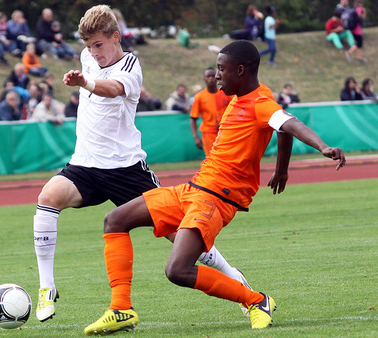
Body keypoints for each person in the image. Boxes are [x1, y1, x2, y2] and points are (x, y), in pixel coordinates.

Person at [84, 40, 346, 335]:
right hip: (194, 188)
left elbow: (291, 124)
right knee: (115, 219)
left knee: (177, 271)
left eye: (221, 70)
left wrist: (322, 146)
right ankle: (120, 309)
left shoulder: (260, 102)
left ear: (241, 70)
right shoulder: (241, 98)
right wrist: (281, 170)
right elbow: (281, 129)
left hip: (215, 199)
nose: (216, 76)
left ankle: (256, 301)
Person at [33, 5, 251, 325]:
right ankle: (47, 288)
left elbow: (113, 89)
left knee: (181, 237)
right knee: (47, 197)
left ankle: (234, 277)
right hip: (85, 165)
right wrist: (86, 73)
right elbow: (93, 59)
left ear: (115, 37)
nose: (94, 54)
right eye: (89, 46)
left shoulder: (131, 65)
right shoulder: (87, 58)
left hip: (126, 169)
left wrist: (86, 83)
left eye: (99, 45)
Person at [190, 67, 232, 158]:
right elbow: (193, 118)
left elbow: (233, 112)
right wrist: (196, 137)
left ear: (217, 77)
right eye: (208, 76)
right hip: (208, 133)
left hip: (224, 131)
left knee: (226, 158)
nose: (211, 78)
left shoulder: (225, 94)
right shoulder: (199, 97)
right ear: (204, 78)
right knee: (212, 159)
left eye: (213, 76)